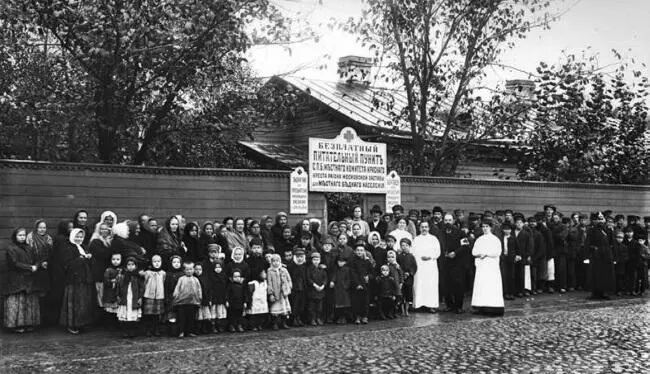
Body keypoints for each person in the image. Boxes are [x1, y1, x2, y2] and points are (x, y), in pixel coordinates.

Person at [4, 228, 43, 333]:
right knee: (18, 302)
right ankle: (16, 325)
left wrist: (37, 265)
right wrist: (30, 268)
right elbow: (14, 263)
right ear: (15, 236)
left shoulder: (29, 248)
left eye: (23, 235)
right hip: (17, 280)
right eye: (19, 235)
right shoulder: (11, 248)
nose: (22, 237)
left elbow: (37, 259)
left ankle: (29, 323)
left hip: (29, 279)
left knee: (29, 302)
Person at [59, 228, 94, 334]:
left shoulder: (84, 247)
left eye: (81, 237)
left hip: (84, 278)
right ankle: (72, 324)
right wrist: (82, 259)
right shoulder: (68, 248)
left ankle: (82, 324)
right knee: (74, 303)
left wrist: (89, 258)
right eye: (77, 237)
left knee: (83, 303)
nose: (79, 239)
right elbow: (68, 265)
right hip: (74, 279)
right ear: (72, 237)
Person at [471, 220, 505, 316]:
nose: (485, 228)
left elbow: (498, 252)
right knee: (481, 285)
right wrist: (479, 254)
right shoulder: (479, 239)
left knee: (491, 285)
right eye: (483, 226)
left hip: (491, 266)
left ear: (490, 227)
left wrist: (486, 254)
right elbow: (473, 251)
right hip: (482, 266)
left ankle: (493, 306)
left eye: (487, 226)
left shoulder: (495, 239)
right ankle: (480, 305)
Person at [438, 214, 470, 313]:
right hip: (445, 263)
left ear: (453, 221)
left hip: (457, 263)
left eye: (450, 220)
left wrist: (455, 253)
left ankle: (458, 306)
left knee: (458, 285)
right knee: (446, 285)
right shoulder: (440, 232)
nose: (448, 222)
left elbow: (465, 246)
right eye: (446, 220)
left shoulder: (460, 232)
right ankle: (449, 305)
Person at [411, 221, 441, 313]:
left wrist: (430, 257)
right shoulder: (416, 239)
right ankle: (419, 304)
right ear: (419, 228)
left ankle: (431, 305)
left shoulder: (433, 239)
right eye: (422, 227)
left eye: (426, 227)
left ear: (429, 228)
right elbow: (413, 252)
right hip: (419, 266)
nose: (424, 229)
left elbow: (437, 252)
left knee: (430, 284)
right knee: (419, 284)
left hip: (430, 265)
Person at [25, 220, 52, 318]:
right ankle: (34, 317)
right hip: (34, 268)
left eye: (44, 228)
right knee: (34, 294)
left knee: (44, 293)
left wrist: (47, 261)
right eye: (40, 227)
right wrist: (38, 263)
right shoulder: (30, 237)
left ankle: (43, 318)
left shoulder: (48, 238)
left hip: (45, 269)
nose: (42, 230)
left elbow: (51, 253)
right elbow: (28, 253)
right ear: (36, 227)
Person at [586, 212, 615, 300]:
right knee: (596, 274)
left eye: (602, 219)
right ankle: (595, 293)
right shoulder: (591, 231)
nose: (600, 221)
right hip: (596, 255)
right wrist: (593, 249)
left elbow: (612, 244)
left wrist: (612, 255)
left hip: (606, 255)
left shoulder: (608, 231)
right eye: (599, 219)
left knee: (606, 274)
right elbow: (588, 243)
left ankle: (605, 292)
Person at [116, 257, 144, 338]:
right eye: (129, 265)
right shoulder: (123, 276)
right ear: (126, 266)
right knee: (124, 314)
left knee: (133, 315)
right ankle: (125, 331)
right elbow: (118, 286)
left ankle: (132, 331)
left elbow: (141, 287)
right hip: (125, 297)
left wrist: (140, 297)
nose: (131, 266)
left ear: (135, 266)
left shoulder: (137, 276)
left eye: (132, 265)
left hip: (134, 298)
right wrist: (118, 295)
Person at [88, 223, 113, 315]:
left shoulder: (108, 241)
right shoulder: (95, 242)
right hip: (98, 272)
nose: (104, 231)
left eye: (106, 229)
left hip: (107, 272)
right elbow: (103, 254)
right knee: (99, 295)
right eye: (101, 229)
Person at [173, 262, 202, 338]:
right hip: (182, 302)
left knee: (191, 318)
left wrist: (199, 297)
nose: (189, 271)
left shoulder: (195, 279)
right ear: (184, 270)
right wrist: (175, 296)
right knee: (182, 318)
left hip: (193, 302)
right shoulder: (181, 279)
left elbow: (199, 289)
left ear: (193, 270)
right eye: (187, 269)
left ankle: (189, 331)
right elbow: (177, 288)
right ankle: (181, 331)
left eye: (191, 269)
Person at [141, 254, 166, 337]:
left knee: (157, 314)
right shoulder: (148, 273)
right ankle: (149, 329)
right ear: (151, 263)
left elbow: (163, 282)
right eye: (154, 262)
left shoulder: (163, 273)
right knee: (149, 314)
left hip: (159, 296)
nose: (157, 263)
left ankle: (157, 329)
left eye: (158, 261)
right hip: (149, 296)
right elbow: (144, 283)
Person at [267, 254, 292, 330]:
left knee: (284, 308)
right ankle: (275, 323)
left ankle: (283, 323)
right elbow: (269, 283)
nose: (275, 263)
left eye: (277, 261)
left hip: (283, 293)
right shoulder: (270, 271)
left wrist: (289, 287)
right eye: (273, 261)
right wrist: (271, 293)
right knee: (275, 308)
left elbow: (289, 279)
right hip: (275, 293)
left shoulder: (284, 270)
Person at [349, 243, 373, 324]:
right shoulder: (352, 261)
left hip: (366, 284)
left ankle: (365, 316)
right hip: (356, 285)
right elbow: (353, 273)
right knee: (356, 301)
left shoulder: (367, 261)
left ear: (364, 251)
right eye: (358, 250)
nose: (359, 252)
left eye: (361, 250)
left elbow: (372, 272)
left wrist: (369, 277)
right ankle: (357, 316)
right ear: (355, 251)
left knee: (365, 301)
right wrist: (357, 284)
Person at [396, 238, 417, 316]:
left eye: (406, 245)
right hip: (401, 278)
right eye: (402, 245)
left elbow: (414, 267)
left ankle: (407, 310)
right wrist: (401, 273)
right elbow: (398, 266)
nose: (404, 247)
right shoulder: (398, 256)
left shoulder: (411, 256)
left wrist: (410, 273)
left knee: (408, 294)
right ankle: (402, 310)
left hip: (409, 278)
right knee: (402, 294)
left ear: (409, 246)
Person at [164, 255, 184, 335]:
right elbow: (166, 286)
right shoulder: (168, 274)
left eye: (178, 262)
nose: (176, 264)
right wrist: (166, 297)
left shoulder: (182, 274)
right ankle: (171, 331)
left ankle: (180, 330)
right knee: (171, 314)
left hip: (181, 297)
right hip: (171, 296)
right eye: (174, 262)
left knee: (180, 313)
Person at [288, 248, 308, 326]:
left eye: (301, 257)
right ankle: (294, 319)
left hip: (302, 288)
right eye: (298, 257)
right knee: (294, 304)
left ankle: (299, 318)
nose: (300, 259)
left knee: (301, 304)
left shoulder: (304, 266)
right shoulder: (291, 266)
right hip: (294, 288)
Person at [306, 252, 327, 326]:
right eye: (314, 259)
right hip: (312, 290)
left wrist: (323, 286)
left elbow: (325, 278)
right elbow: (308, 278)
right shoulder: (309, 269)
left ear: (320, 260)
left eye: (317, 259)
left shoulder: (322, 269)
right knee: (311, 307)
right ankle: (312, 319)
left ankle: (318, 318)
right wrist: (314, 285)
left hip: (320, 291)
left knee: (319, 307)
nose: (316, 261)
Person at [102, 253, 122, 328]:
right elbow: (105, 280)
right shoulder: (108, 270)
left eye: (118, 259)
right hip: (110, 292)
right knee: (110, 309)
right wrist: (111, 281)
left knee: (117, 308)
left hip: (117, 292)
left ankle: (117, 323)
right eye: (113, 259)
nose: (115, 261)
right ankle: (109, 324)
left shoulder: (121, 270)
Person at [210, 260, 228, 332]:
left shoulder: (224, 276)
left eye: (219, 267)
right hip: (214, 296)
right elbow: (210, 288)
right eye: (216, 267)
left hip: (221, 296)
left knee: (220, 311)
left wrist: (226, 298)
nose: (218, 269)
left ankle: (219, 325)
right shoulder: (211, 276)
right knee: (213, 311)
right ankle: (213, 326)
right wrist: (210, 298)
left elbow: (226, 288)